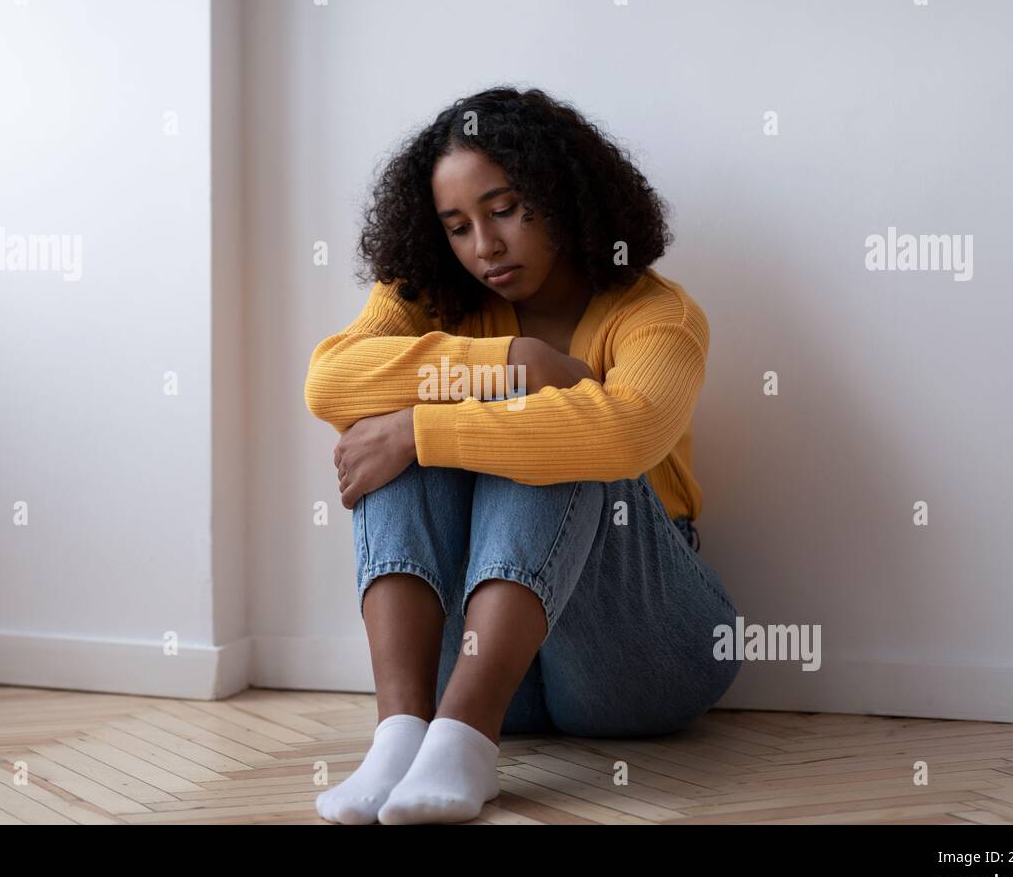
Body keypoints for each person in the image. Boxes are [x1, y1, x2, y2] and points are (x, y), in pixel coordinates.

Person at [303, 87, 742, 825]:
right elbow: (329, 380)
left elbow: (623, 435)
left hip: (642, 658)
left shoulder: (657, 315)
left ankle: (468, 737)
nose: (484, 247)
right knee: (384, 429)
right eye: (457, 226)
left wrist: (423, 428)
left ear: (562, 194)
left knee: (550, 437)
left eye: (503, 209)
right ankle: (403, 737)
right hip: (476, 657)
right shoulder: (431, 298)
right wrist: (518, 360)